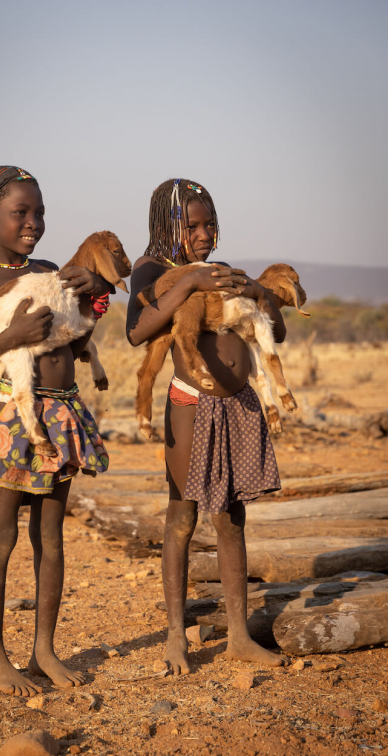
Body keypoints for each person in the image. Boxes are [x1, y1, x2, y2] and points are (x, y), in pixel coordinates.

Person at [0, 166, 111, 697]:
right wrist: (8, 336)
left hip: (61, 412)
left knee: (51, 536)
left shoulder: (51, 270)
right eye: (21, 213)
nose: (33, 222)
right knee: (2, 529)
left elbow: (74, 332)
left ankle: (44, 650)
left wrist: (96, 291)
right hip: (13, 416)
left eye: (39, 213)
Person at [126, 178, 286, 675]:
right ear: (165, 225)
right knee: (182, 515)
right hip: (191, 405)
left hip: (238, 404)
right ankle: (176, 637)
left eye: (209, 223)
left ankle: (238, 636)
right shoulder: (152, 270)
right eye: (190, 224)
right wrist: (191, 283)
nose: (203, 232)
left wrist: (260, 291)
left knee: (231, 519)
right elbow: (138, 331)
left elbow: (274, 330)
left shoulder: (223, 272)